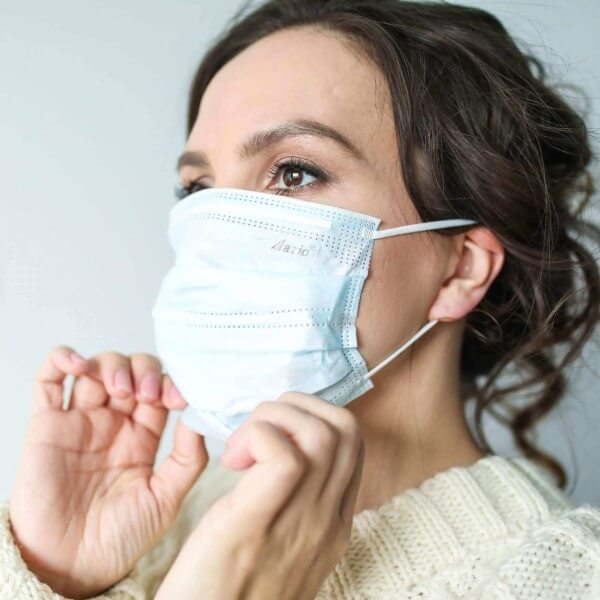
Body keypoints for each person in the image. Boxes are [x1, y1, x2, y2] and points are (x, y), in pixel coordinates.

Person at [2, 1, 600, 598]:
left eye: (293, 173)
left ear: (461, 269)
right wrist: (58, 575)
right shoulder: (159, 522)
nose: (218, 232)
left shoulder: (565, 580)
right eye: (199, 189)